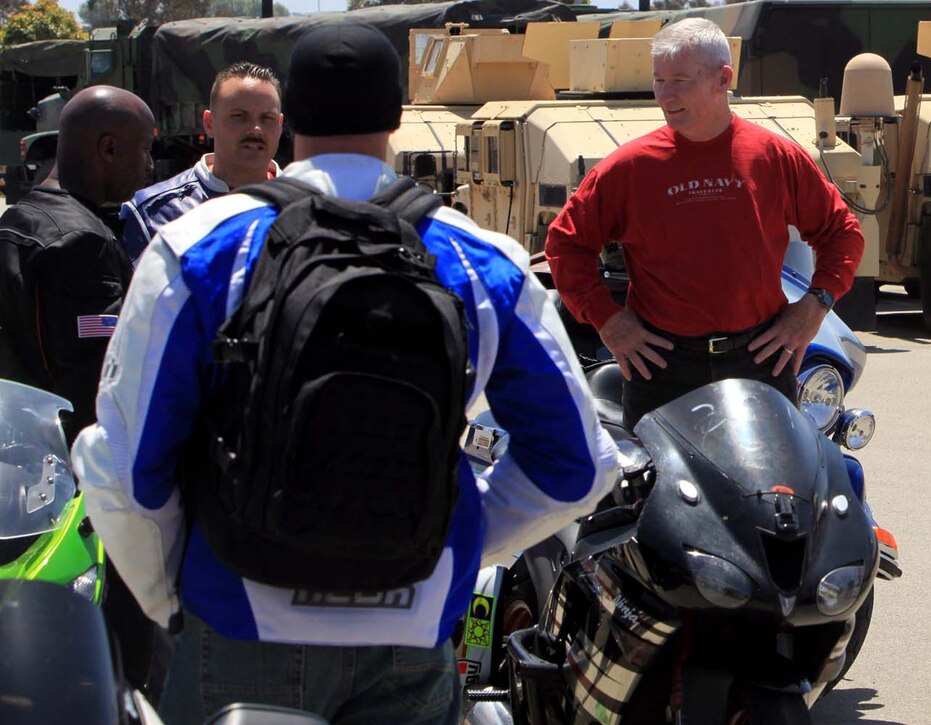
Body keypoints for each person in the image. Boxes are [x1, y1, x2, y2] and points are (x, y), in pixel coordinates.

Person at [71, 22, 616, 725]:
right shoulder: (482, 259)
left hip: (241, 627)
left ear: (289, 114)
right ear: (396, 117)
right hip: (412, 635)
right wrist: (437, 546)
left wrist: (176, 594)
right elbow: (576, 467)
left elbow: (124, 466)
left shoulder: (198, 249)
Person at [545, 18, 865, 429]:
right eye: (659, 80)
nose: (665, 95)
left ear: (723, 79)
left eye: (680, 80)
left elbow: (842, 234)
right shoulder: (629, 168)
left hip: (761, 361)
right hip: (661, 368)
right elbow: (565, 244)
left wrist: (814, 307)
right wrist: (608, 320)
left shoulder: (773, 157)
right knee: (660, 492)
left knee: (772, 491)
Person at [0, 86, 154, 441]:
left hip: (19, 447)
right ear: (109, 149)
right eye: (145, 148)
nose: (149, 164)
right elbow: (94, 383)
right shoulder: (83, 242)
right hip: (65, 466)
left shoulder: (16, 220)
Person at [119, 62, 283, 260]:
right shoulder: (151, 214)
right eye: (239, 116)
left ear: (280, 125)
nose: (255, 129)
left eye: (267, 118)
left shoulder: (309, 207)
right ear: (209, 123)